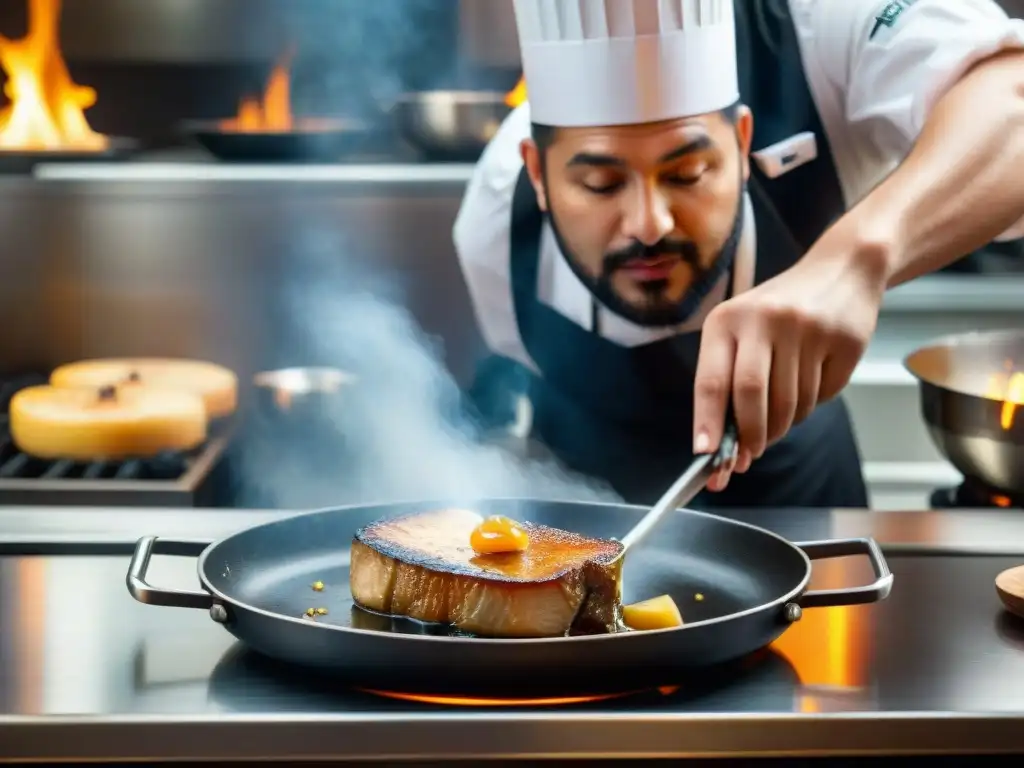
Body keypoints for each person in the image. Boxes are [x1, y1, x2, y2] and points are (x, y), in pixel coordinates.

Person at [454, 0, 1024, 508]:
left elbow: (1012, 97)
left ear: (743, 141)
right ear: (539, 173)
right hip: (595, 514)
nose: (650, 225)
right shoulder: (495, 228)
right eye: (602, 183)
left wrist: (855, 261)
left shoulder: (817, 32)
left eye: (689, 173)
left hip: (805, 488)